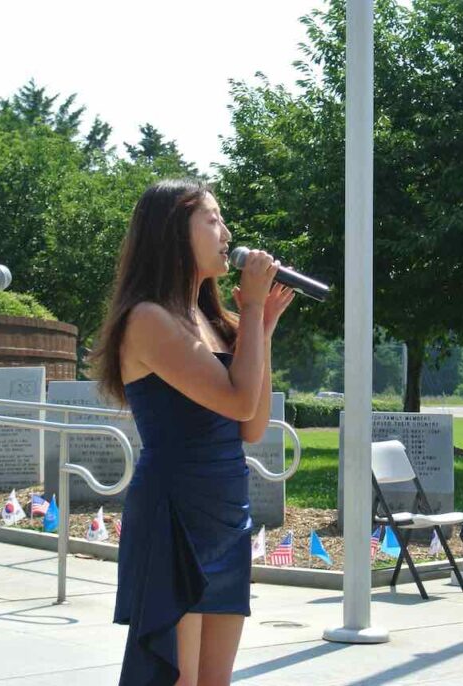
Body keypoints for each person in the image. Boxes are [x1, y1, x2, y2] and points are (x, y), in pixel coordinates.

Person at [91, 178, 294, 686]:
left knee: (214, 680)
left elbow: (250, 426)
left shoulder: (212, 319)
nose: (226, 232)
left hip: (225, 514)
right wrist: (249, 309)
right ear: (173, 232)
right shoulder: (149, 320)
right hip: (174, 514)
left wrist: (259, 330)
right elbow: (237, 398)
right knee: (175, 677)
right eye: (212, 218)